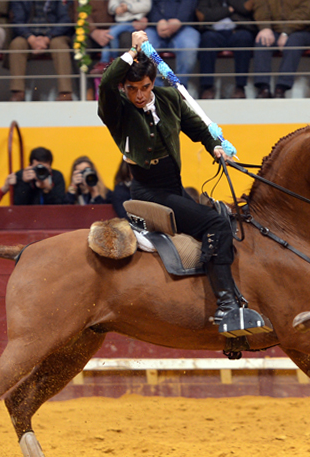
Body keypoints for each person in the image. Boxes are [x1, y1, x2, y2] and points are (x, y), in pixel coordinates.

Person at [98, 30, 269, 336]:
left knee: (225, 222)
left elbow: (198, 128)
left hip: (173, 189)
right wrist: (131, 52)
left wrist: (215, 148)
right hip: (147, 194)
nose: (139, 95)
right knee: (215, 225)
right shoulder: (117, 110)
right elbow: (108, 81)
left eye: (145, 87)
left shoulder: (169, 98)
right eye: (133, 89)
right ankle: (228, 306)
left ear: (154, 83)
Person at [8, 0, 74, 101]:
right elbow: (17, 20)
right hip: (29, 36)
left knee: (59, 45)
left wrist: (47, 38)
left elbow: (65, 19)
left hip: (55, 35)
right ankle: (18, 92)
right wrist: (31, 38)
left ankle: (65, 93)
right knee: (17, 44)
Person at [251, 0, 310, 99]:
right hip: (274, 31)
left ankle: (281, 88)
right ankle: (263, 88)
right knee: (262, 41)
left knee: (294, 42)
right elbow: (261, 8)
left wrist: (286, 32)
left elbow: (306, 12)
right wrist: (265, 28)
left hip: (302, 30)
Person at [196, 0, 256, 99]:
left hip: (238, 30)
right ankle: (207, 87)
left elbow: (245, 9)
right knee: (207, 39)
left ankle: (240, 87)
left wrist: (218, 12)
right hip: (214, 31)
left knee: (244, 38)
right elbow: (203, 15)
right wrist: (228, 10)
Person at [145, 0, 200, 88]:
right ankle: (155, 89)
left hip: (184, 26)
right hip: (155, 27)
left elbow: (190, 4)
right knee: (146, 43)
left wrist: (179, 20)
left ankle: (180, 89)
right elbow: (150, 5)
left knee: (189, 45)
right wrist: (158, 21)